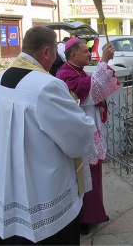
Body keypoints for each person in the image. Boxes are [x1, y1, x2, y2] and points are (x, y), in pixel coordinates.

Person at [0, 26, 98, 244]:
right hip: (45, 191)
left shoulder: (0, 80)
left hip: (10, 186)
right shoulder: (47, 85)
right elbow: (78, 135)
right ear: (46, 52)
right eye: (54, 54)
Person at [56, 38, 120, 235]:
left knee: (94, 175)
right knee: (83, 177)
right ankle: (83, 218)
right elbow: (91, 89)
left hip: (90, 131)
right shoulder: (64, 74)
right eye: (85, 51)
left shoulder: (77, 71)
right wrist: (104, 62)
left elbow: (94, 90)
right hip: (79, 134)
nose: (89, 54)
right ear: (73, 54)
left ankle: (95, 213)